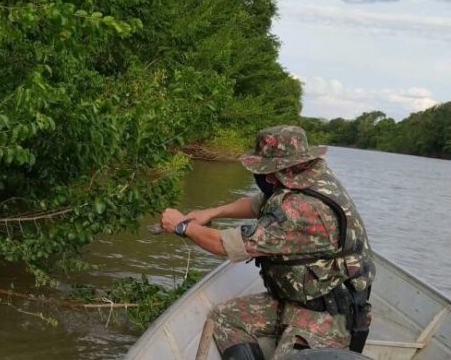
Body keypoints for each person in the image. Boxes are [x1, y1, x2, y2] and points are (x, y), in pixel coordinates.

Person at [160, 125, 375, 360]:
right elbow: (261, 202)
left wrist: (182, 227)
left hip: (328, 318)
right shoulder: (312, 178)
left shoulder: (298, 210)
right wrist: (212, 212)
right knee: (225, 318)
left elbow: (225, 245)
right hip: (299, 301)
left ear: (276, 171)